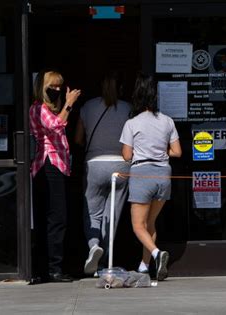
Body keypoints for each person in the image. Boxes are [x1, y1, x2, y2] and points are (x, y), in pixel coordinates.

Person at [119, 72, 181, 280]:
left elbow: (127, 155)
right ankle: (144, 266)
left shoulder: (132, 123)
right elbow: (177, 152)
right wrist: (162, 152)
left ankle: (156, 254)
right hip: (164, 173)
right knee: (150, 223)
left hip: (142, 173)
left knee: (138, 225)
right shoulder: (167, 121)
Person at [74, 71, 131, 275]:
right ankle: (106, 258)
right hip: (122, 166)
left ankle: (93, 246)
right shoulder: (128, 108)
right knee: (112, 214)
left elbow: (78, 139)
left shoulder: (87, 106)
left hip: (95, 165)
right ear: (121, 88)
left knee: (92, 212)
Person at [30, 70, 81, 282]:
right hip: (49, 165)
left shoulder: (46, 109)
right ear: (42, 88)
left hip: (53, 166)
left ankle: (49, 267)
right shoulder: (39, 108)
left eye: (60, 87)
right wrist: (69, 104)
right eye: (53, 86)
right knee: (55, 217)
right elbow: (55, 126)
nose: (57, 91)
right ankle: (53, 268)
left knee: (52, 217)